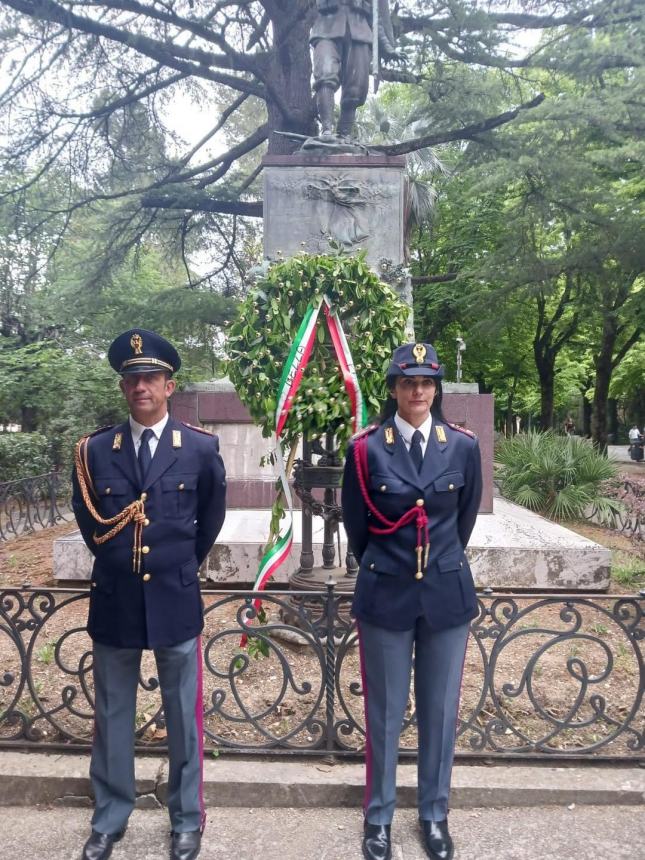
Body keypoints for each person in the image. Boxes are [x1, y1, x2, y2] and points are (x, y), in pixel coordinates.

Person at [72, 329, 226, 860]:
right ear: (123, 387)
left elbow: (209, 521)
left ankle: (186, 819)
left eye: (151, 378)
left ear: (169, 385)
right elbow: (91, 524)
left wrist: (177, 566)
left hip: (174, 596)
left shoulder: (201, 449)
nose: (141, 386)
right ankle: (110, 816)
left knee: (183, 714)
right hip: (115, 596)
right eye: (132, 378)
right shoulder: (94, 451)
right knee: (113, 713)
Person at [341, 342, 482, 860]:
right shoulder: (365, 449)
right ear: (393, 389)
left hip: (445, 593)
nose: (417, 391)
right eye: (407, 382)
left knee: (440, 711)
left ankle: (433, 814)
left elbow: (461, 524)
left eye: (426, 382)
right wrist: (396, 563)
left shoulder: (463, 446)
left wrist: (435, 562)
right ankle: (377, 818)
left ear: (436, 388)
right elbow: (358, 528)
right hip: (387, 591)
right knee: (384, 712)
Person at [310, 0, 401, 139]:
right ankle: (326, 131)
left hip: (360, 32)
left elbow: (376, 18)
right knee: (325, 74)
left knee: (356, 87)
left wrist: (387, 46)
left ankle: (344, 134)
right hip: (326, 30)